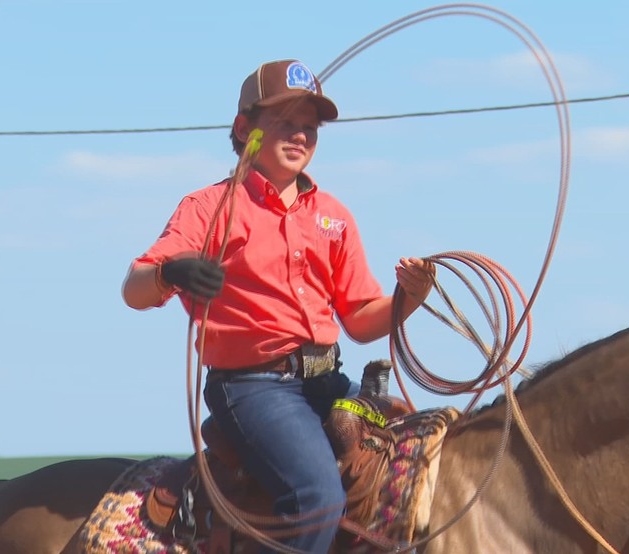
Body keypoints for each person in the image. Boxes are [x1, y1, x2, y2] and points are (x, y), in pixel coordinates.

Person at [122, 59, 435, 553]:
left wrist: (408, 297)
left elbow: (359, 320)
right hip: (253, 389)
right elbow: (134, 289)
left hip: (326, 380)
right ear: (245, 129)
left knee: (422, 458)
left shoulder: (333, 216)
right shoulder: (209, 207)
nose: (300, 136)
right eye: (285, 123)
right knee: (315, 498)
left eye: (309, 127)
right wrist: (171, 272)